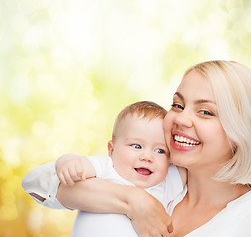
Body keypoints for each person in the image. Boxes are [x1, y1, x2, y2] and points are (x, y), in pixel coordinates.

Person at [25, 60, 251, 237]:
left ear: (242, 130)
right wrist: (134, 201)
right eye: (178, 105)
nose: (181, 119)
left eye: (205, 112)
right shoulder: (158, 172)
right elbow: (38, 184)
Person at [22, 101, 186, 236]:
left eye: (160, 151)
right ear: (111, 150)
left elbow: (195, 170)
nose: (147, 157)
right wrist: (66, 162)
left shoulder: (164, 183)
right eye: (136, 146)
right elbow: (74, 165)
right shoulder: (106, 167)